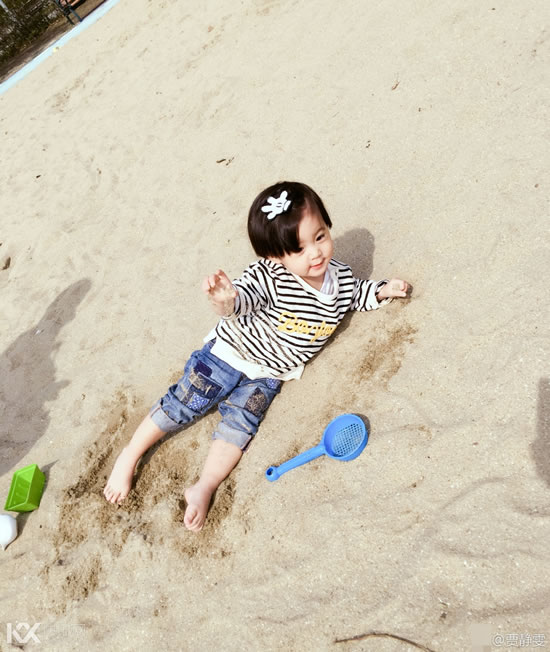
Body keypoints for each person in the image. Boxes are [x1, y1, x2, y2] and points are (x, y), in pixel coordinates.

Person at [103, 181, 410, 531]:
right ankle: (131, 454)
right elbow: (243, 299)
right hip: (227, 355)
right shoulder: (268, 277)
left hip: (268, 375)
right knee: (184, 402)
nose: (315, 253)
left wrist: (381, 291)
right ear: (275, 257)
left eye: (320, 236)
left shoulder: (338, 277)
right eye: (299, 249)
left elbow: (354, 294)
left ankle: (204, 486)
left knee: (240, 426)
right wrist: (226, 301)